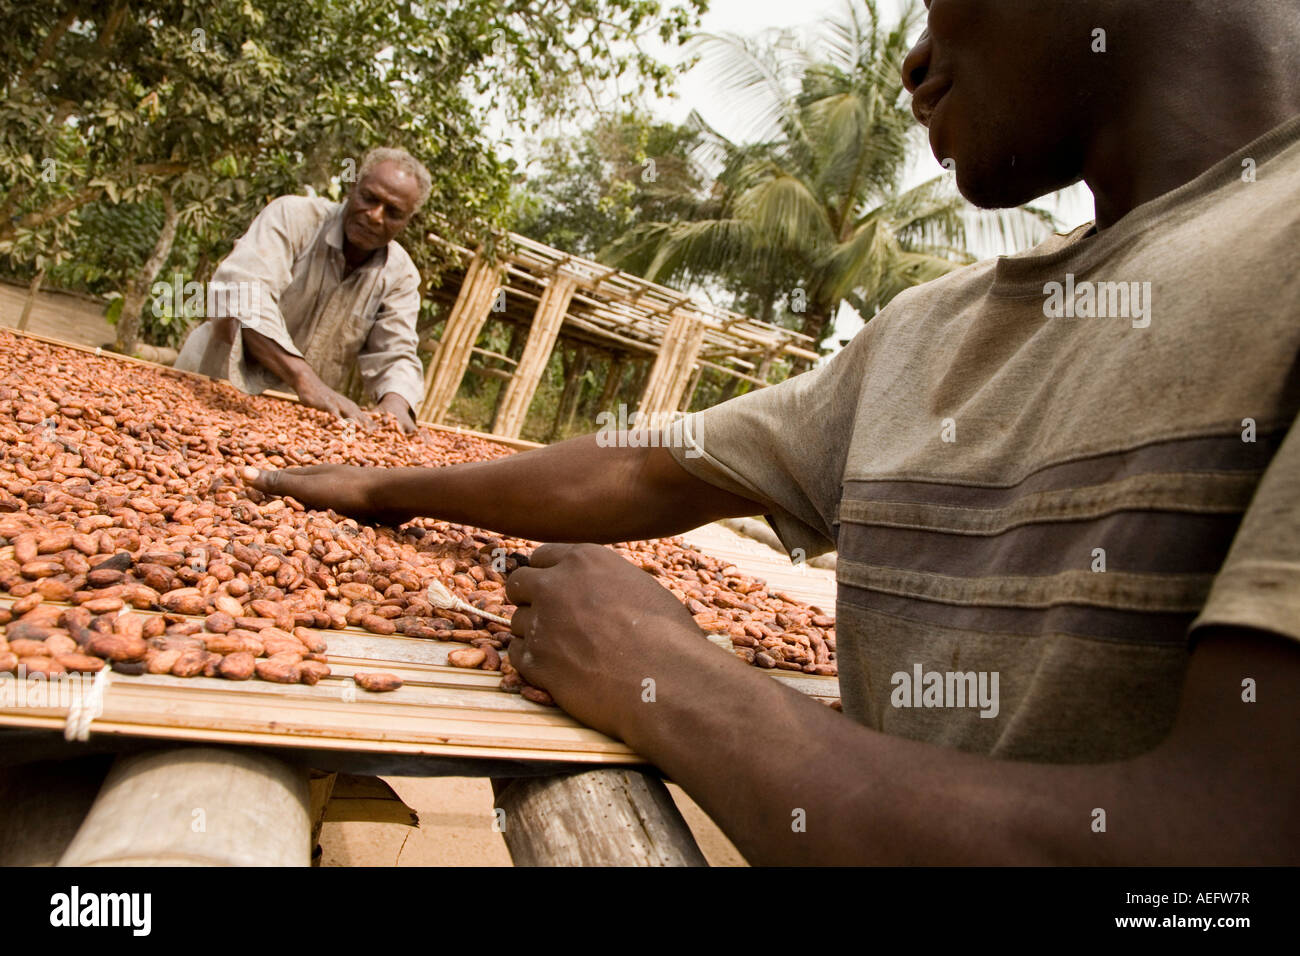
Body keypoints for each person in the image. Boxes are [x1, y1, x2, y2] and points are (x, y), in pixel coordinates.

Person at [242, 0, 1299, 864]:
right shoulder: (927, 331)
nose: (917, 61)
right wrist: (389, 489)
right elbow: (647, 470)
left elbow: (1224, 846)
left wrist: (677, 684)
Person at [175, 147, 429, 434]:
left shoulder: (401, 276)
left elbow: (396, 353)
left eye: (393, 212)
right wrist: (305, 380)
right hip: (213, 383)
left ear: (408, 221)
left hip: (292, 418)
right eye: (369, 198)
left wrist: (395, 404)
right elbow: (243, 293)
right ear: (352, 187)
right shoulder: (293, 217)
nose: (375, 216)